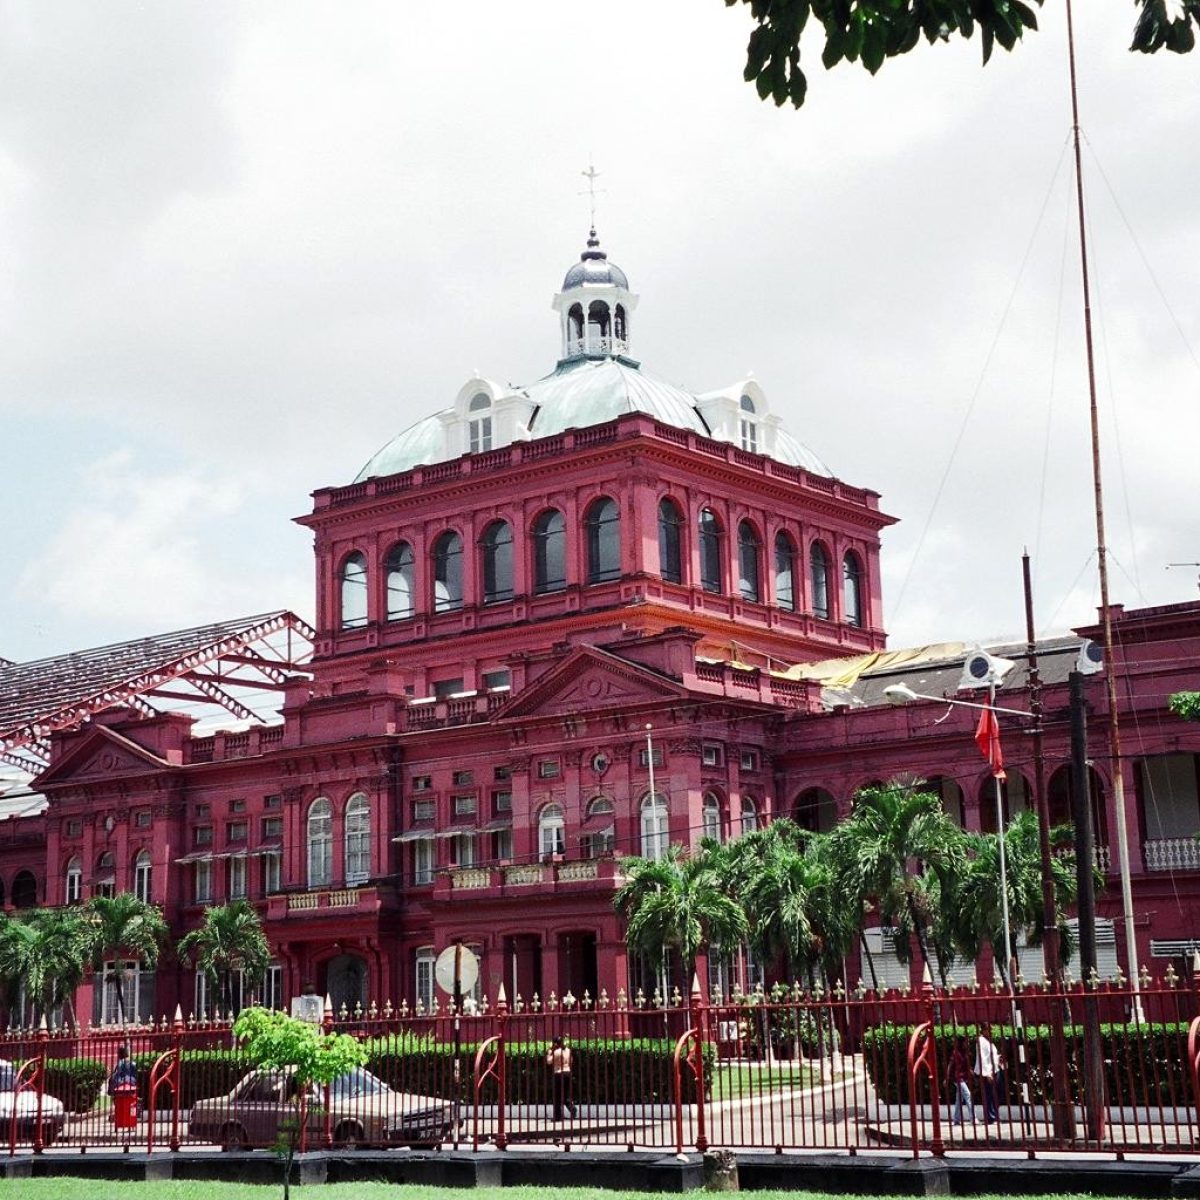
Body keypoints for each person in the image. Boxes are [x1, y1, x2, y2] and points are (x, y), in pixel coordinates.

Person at [944, 1035, 974, 1126]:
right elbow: (950, 1065)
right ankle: (973, 1118)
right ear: (962, 1043)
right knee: (968, 1095)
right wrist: (947, 1078)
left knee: (959, 1099)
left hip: (963, 1078)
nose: (967, 1043)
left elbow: (966, 1065)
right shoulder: (955, 1053)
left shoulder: (966, 1053)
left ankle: (956, 1119)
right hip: (957, 1078)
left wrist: (970, 1071)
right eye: (966, 1042)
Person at [973, 1027, 1002, 1122]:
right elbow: (982, 1058)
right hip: (987, 1072)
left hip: (995, 1070)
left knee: (995, 1095)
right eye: (989, 1029)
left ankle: (994, 1115)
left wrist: (999, 1058)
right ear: (984, 1030)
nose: (991, 1031)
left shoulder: (989, 1041)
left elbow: (991, 1056)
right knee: (988, 1095)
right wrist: (987, 1074)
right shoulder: (981, 1041)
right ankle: (990, 1117)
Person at [546, 1036, 576, 1120]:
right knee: (565, 1094)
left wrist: (549, 1052)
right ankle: (572, 1108)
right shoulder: (568, 1050)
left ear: (555, 1043)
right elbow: (571, 1061)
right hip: (568, 1072)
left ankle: (558, 1116)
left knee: (557, 1096)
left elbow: (549, 1061)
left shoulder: (556, 1052)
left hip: (558, 1073)